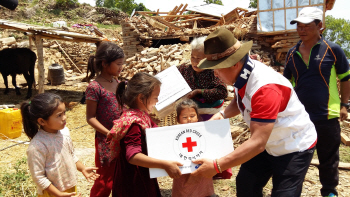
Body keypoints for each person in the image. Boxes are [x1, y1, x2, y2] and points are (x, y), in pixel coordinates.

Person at [191, 28, 318, 197]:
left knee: (284, 194)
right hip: (268, 141)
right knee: (246, 184)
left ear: (234, 63)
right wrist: (222, 114)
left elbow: (257, 143)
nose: (214, 73)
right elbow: (241, 100)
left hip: (293, 145)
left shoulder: (265, 87)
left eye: (217, 68)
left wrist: (217, 166)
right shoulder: (243, 73)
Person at [283, 7, 350, 197]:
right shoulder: (291, 53)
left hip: (327, 114)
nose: (301, 30)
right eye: (299, 26)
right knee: (296, 157)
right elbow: (286, 83)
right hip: (299, 116)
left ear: (320, 26)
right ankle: (292, 191)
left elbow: (346, 78)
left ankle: (329, 191)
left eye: (307, 26)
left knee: (328, 158)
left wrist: (345, 105)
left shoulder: (332, 49)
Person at [108, 72, 183, 197]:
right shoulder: (134, 123)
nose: (157, 100)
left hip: (142, 173)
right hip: (133, 180)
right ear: (141, 98)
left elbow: (156, 132)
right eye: (155, 97)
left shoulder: (141, 115)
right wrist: (165, 164)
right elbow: (133, 156)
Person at [21, 93, 99, 197]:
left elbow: (71, 155)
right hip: (51, 193)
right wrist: (58, 194)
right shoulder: (37, 146)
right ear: (42, 121)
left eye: (64, 113)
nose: (64, 118)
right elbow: (38, 177)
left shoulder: (64, 132)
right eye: (59, 115)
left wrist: (82, 168)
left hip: (69, 188)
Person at [85, 41, 125, 197]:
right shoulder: (94, 87)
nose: (121, 67)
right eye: (118, 64)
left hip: (121, 136)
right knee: (105, 180)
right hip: (106, 141)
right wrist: (109, 133)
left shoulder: (118, 83)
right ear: (105, 63)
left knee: (120, 176)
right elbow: (90, 118)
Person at [178, 36, 228, 121]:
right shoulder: (185, 69)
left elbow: (223, 92)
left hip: (211, 111)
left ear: (208, 59)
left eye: (198, 58)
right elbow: (171, 75)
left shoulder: (214, 72)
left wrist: (199, 91)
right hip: (191, 112)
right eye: (192, 57)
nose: (194, 62)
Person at [172, 99, 215, 197]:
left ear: (197, 117)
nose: (189, 119)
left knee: (203, 190)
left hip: (201, 167)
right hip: (183, 170)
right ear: (178, 119)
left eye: (192, 116)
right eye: (184, 117)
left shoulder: (204, 132)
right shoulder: (174, 135)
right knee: (183, 189)